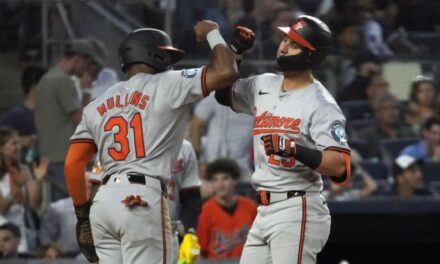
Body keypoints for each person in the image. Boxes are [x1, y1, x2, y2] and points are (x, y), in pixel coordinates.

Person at [64, 21, 238, 263]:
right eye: (166, 54)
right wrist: (212, 33)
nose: (169, 61)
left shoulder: (96, 103)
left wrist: (83, 215)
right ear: (153, 53)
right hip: (140, 199)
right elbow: (226, 72)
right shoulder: (169, 83)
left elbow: (73, 164)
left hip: (103, 203)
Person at [215, 15, 351, 264]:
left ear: (311, 55)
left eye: (294, 44)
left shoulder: (321, 103)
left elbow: (339, 165)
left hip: (298, 207)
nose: (284, 46)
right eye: (286, 39)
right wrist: (235, 54)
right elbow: (224, 96)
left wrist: (293, 148)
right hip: (264, 209)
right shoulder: (263, 84)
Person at [35, 39, 104, 202]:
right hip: (64, 159)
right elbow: (82, 120)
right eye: (86, 63)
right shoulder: (63, 81)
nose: (87, 69)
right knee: (70, 210)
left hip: (50, 157)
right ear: (77, 58)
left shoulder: (47, 78)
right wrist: (86, 90)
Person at [0, 127, 48, 254]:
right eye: (13, 143)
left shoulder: (23, 170)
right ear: (1, 148)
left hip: (20, 234)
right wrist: (17, 187)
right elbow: (1, 208)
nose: (19, 147)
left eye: (19, 143)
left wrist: (39, 180)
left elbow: (34, 204)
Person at [197, 158, 257, 259]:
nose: (220, 184)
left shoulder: (250, 207)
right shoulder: (207, 210)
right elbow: (201, 249)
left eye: (225, 178)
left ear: (234, 180)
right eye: (215, 179)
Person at [39, 171, 101, 259]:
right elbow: (45, 241)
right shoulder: (57, 209)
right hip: (63, 258)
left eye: (92, 189)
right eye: (84, 188)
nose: (89, 193)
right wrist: (50, 249)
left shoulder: (104, 212)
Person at [191, 94, 253, 181]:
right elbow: (196, 123)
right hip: (212, 164)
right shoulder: (216, 95)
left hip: (241, 167)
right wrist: (199, 160)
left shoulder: (255, 99)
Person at [0, 66, 47, 164]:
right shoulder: (15, 115)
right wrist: (22, 141)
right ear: (35, 87)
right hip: (24, 170)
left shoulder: (50, 116)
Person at [167, 140, 202, 263]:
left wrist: (190, 231)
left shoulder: (184, 147)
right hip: (131, 230)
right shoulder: (131, 141)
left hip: (169, 232)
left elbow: (190, 193)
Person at [356, 93, 415, 158]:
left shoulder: (409, 133)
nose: (391, 112)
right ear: (377, 113)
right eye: (386, 109)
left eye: (394, 108)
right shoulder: (366, 136)